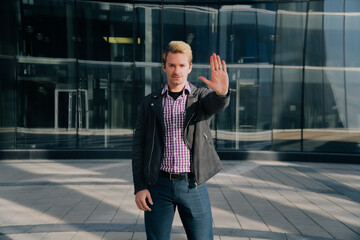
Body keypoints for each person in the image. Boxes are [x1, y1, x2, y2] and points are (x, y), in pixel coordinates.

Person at [132, 41, 230, 240]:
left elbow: (215, 104)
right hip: (158, 185)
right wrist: (140, 187)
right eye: (172, 65)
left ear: (190, 67)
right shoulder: (150, 102)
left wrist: (221, 93)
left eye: (182, 65)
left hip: (192, 184)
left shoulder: (200, 97)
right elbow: (139, 147)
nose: (177, 71)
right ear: (164, 67)